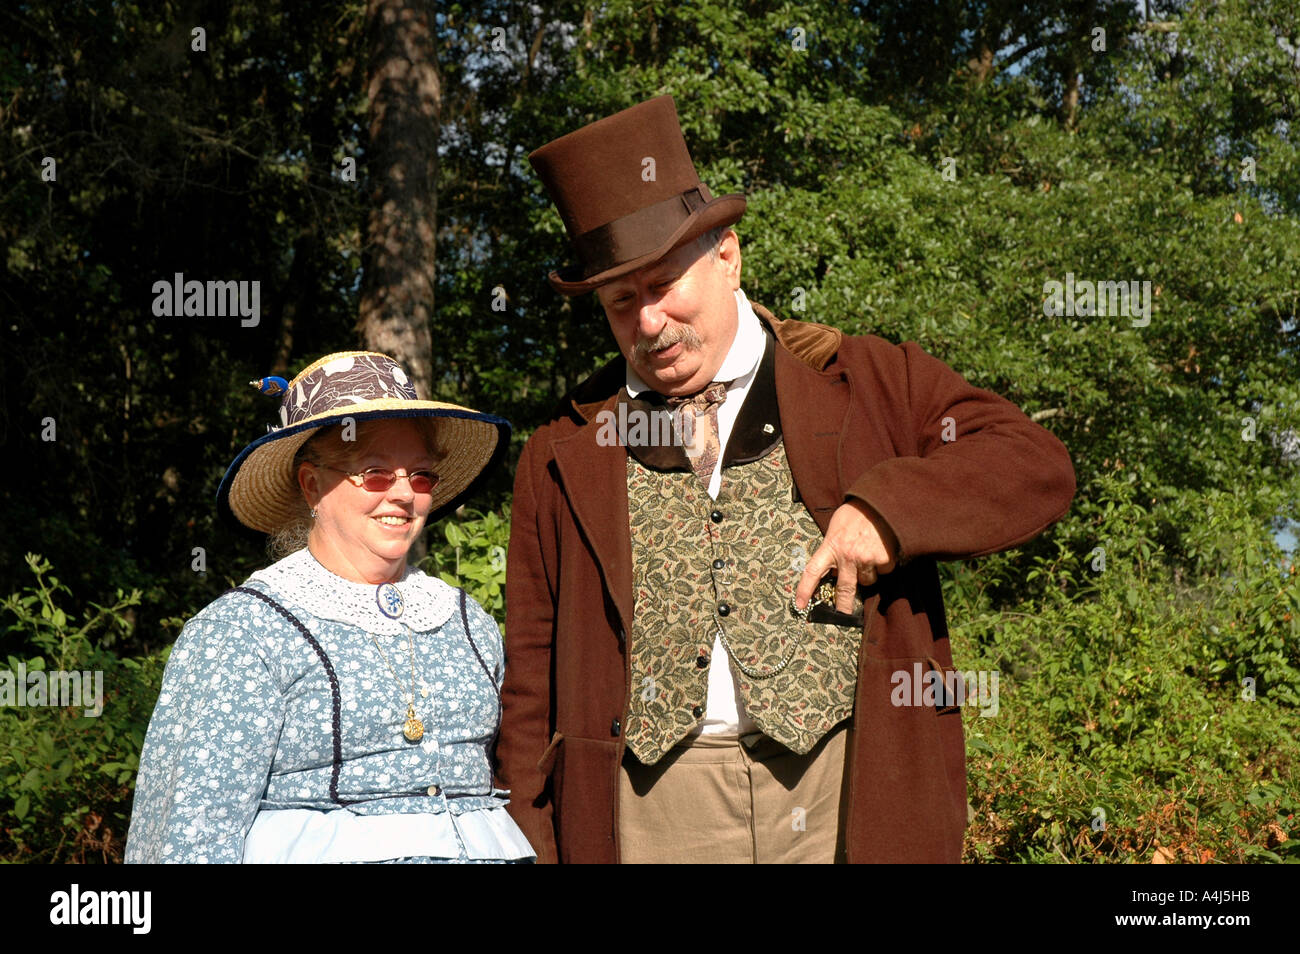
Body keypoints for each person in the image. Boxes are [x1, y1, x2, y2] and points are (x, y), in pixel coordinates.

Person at [497, 95, 1077, 863]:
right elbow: (530, 680)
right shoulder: (562, 450)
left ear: (727, 255)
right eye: (620, 302)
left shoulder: (868, 380)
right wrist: (526, 841)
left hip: (846, 788)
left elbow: (1033, 462)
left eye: (664, 285)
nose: (648, 323)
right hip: (648, 813)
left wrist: (888, 510)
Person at [126, 351, 534, 863]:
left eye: (422, 476)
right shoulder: (244, 632)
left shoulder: (465, 620)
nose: (405, 495)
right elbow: (189, 832)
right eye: (376, 474)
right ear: (312, 485)